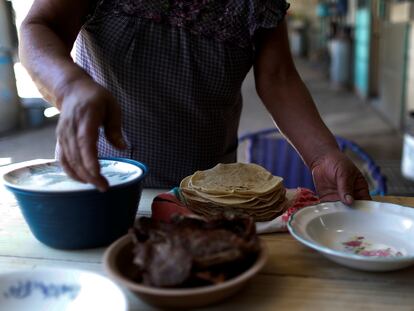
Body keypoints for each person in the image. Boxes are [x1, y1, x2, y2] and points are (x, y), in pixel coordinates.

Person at [19, 0, 370, 204]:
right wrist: (69, 86)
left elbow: (277, 78)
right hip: (102, 188)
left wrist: (323, 155)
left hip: (211, 199)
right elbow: (39, 26)